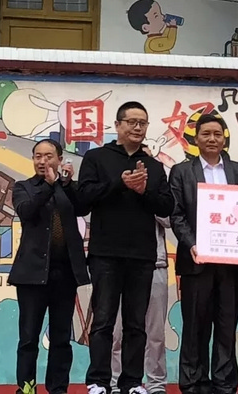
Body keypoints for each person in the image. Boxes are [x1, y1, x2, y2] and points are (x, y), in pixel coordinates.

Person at [79, 101, 175, 394]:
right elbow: (82, 200)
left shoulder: (154, 166)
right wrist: (119, 184)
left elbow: (166, 206)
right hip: (105, 253)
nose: (137, 127)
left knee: (136, 323)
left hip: (142, 255)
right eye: (132, 122)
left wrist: (144, 191)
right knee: (103, 321)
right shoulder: (96, 158)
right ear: (118, 125)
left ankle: (132, 382)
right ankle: (98, 381)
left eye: (142, 123)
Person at [169, 114, 238, 394]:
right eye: (206, 134)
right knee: (195, 326)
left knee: (227, 327)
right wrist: (192, 244)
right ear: (196, 139)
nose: (212, 139)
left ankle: (224, 384)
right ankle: (193, 383)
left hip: (231, 264)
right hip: (197, 262)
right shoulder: (182, 171)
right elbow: (177, 214)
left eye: (218, 134)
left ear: (225, 138)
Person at [12, 139, 90, 394]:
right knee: (28, 337)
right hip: (32, 273)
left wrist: (66, 184)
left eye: (48, 156)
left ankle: (58, 388)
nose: (42, 161)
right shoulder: (24, 187)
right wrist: (48, 185)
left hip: (65, 273)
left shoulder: (67, 188)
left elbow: (83, 207)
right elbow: (26, 211)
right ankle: (26, 387)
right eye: (38, 156)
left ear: (59, 159)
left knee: (61, 337)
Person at [110, 143, 170, 394]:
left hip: (154, 263)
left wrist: (145, 194)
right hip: (118, 264)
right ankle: (115, 382)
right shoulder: (115, 181)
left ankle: (155, 383)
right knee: (116, 331)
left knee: (154, 331)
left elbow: (169, 217)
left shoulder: (159, 180)